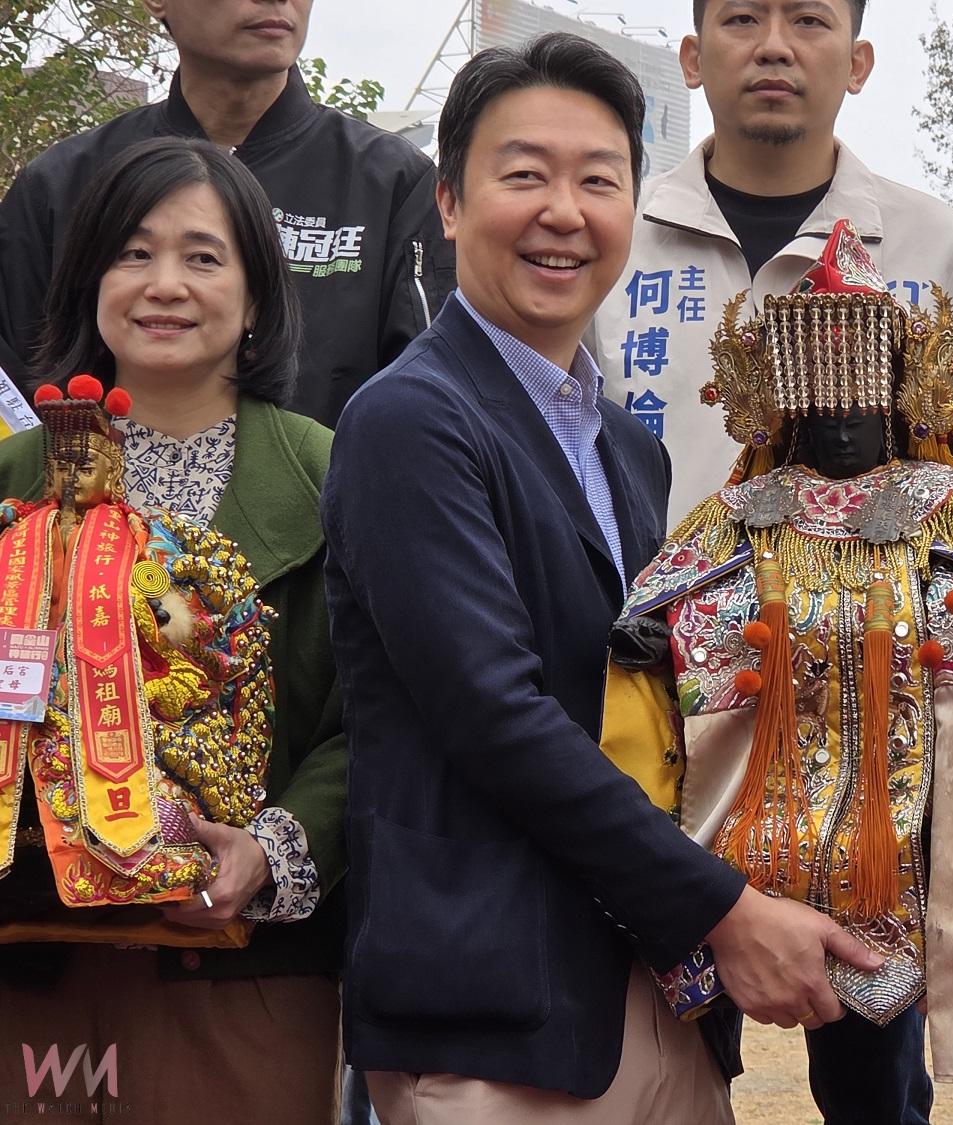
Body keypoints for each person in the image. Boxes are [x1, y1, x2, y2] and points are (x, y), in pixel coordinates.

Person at [322, 35, 884, 1125]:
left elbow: (649, 706)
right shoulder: (409, 421)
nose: (564, 212)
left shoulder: (628, 447)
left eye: (598, 179)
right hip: (500, 1006)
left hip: (655, 993)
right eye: (524, 174)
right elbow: (499, 716)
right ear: (449, 202)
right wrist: (725, 909)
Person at [600, 220, 953, 1125]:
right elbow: (672, 586)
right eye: (820, 415)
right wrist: (651, 634)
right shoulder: (746, 510)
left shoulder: (952, 503)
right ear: (787, 410)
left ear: (898, 402)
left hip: (937, 811)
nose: (840, 432)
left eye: (856, 411)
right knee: (836, 1063)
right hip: (771, 821)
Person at [0, 136, 346, 1123]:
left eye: (202, 257)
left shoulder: (331, 474)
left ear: (255, 293)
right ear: (89, 281)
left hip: (243, 977)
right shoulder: (14, 477)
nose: (164, 285)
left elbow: (374, 717)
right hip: (26, 961)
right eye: (133, 253)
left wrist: (272, 850)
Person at [590, 0, 953, 526]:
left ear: (857, 64)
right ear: (693, 59)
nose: (774, 46)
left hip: (880, 579)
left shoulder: (943, 245)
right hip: (648, 579)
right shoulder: (611, 235)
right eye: (742, 18)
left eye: (808, 20)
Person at [0, 0, 453, 427]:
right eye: (136, 253)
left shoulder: (394, 182)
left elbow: (430, 397)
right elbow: (16, 402)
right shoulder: (59, 185)